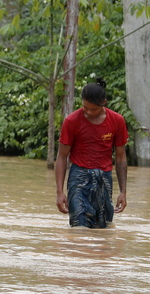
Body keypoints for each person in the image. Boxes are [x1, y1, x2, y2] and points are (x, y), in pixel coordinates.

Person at [55, 79, 129, 228]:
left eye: (93, 109)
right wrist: (60, 192)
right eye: (84, 107)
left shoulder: (117, 121)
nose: (88, 112)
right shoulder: (72, 121)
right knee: (79, 226)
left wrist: (123, 192)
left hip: (104, 178)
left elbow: (120, 157)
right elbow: (62, 157)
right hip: (78, 177)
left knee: (103, 227)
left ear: (104, 103)